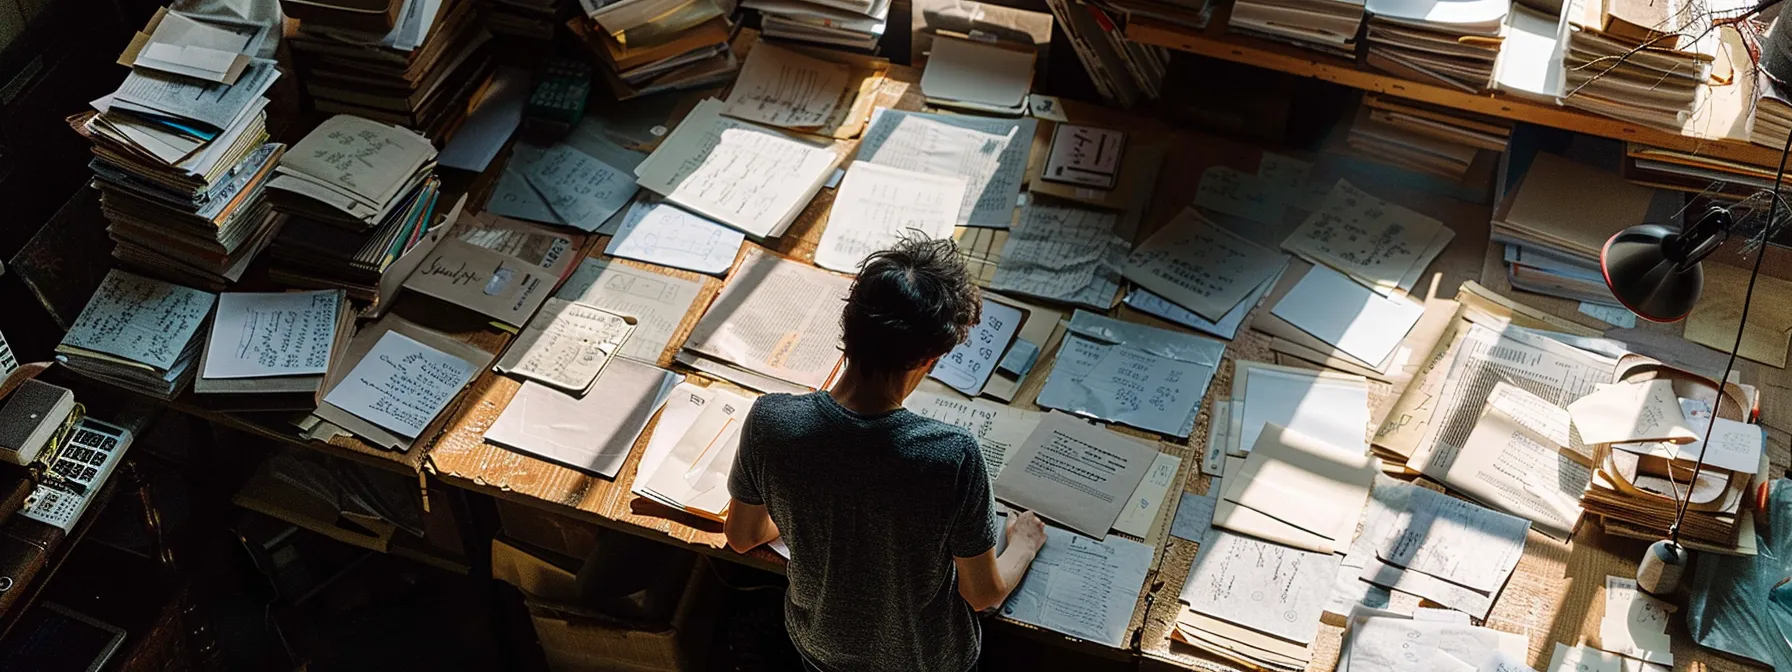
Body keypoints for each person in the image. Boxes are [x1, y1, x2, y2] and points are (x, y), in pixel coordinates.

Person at [723, 237, 1048, 672]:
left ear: (848, 325)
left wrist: (805, 506)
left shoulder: (771, 421)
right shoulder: (950, 457)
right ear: (929, 359)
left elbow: (742, 537)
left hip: (819, 651)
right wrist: (1023, 545)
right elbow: (983, 593)